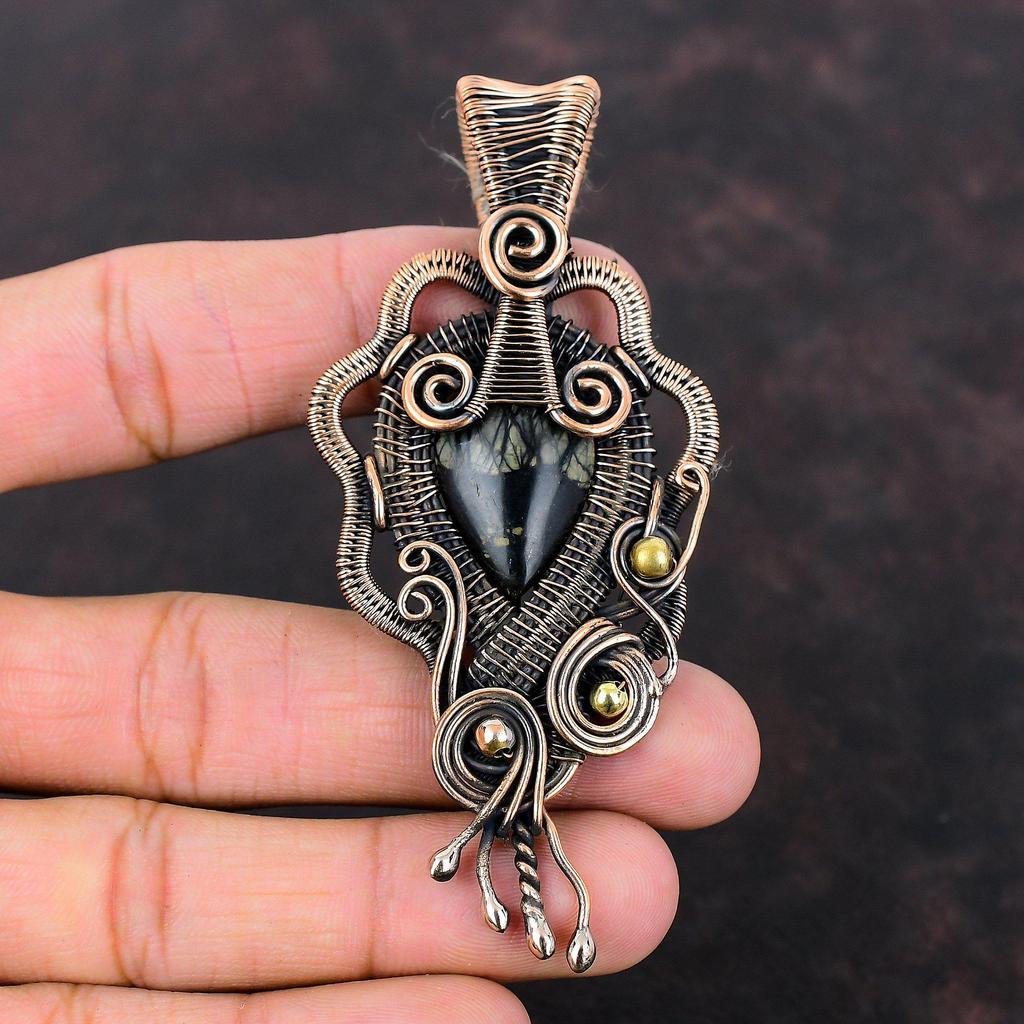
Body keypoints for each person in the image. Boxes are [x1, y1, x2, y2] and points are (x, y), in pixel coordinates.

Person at [0, 226, 760, 1022]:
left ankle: (521, 857)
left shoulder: (536, 383)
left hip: (523, 655)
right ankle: (529, 864)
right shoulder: (450, 382)